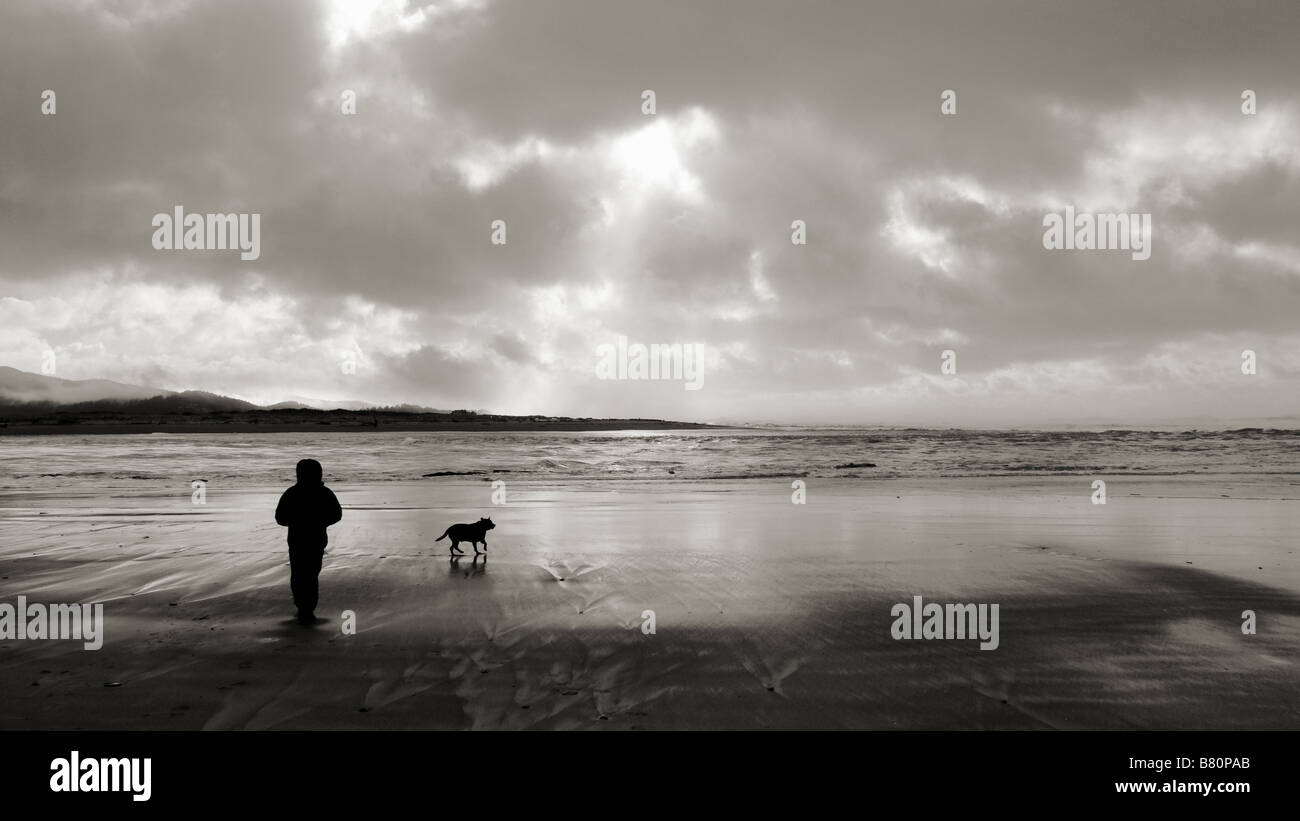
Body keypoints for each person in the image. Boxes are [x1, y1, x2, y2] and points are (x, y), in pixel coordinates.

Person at [274, 459, 342, 625]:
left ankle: (303, 606)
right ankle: (307, 607)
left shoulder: (292, 492)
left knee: (299, 573)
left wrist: (296, 521)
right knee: (311, 573)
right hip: (316, 539)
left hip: (297, 540)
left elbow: (280, 518)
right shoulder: (324, 492)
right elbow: (336, 515)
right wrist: (321, 521)